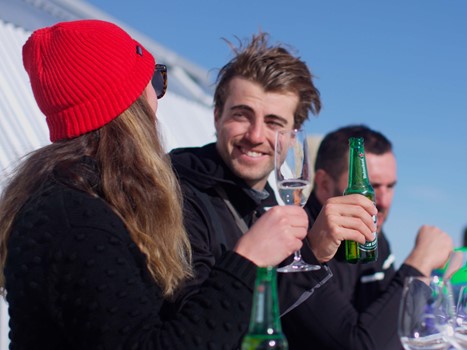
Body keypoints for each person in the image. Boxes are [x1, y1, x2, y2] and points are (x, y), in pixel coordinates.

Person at [0, 20, 304, 349]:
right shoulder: (76, 215)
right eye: (155, 81)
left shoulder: (85, 198)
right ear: (129, 100)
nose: (158, 99)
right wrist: (249, 261)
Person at [167, 33, 376, 314]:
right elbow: (198, 325)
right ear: (217, 116)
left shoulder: (268, 205)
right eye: (242, 115)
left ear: (293, 137)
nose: (255, 135)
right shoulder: (174, 192)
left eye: (274, 122)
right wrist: (312, 250)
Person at [282, 124, 455, 349]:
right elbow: (360, 345)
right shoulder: (297, 243)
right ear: (324, 184)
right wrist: (419, 264)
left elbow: (400, 332)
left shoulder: (376, 240)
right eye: (371, 187)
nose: (382, 201)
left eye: (390, 187)